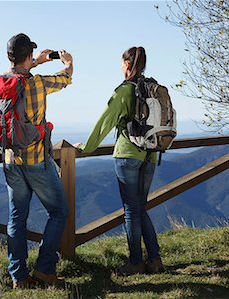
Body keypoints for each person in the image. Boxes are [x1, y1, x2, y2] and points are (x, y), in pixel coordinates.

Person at [75, 47, 164, 276]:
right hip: (152, 154)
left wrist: (86, 147)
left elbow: (105, 121)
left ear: (126, 64)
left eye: (121, 63)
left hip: (128, 155)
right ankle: (154, 260)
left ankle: (135, 262)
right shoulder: (151, 88)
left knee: (131, 211)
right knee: (140, 207)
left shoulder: (125, 90)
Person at [2, 33, 73, 288]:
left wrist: (37, 62)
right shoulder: (38, 84)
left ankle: (19, 277)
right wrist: (67, 64)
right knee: (58, 211)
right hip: (36, 160)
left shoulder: (3, 84)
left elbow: (21, 72)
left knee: (16, 219)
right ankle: (44, 269)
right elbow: (65, 80)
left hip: (10, 159)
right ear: (28, 56)